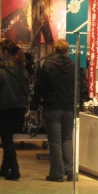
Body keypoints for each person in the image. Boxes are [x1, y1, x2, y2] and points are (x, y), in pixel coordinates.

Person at [0, 39, 29, 181]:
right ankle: (5, 167)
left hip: (3, 107)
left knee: (6, 140)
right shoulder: (23, 70)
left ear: (5, 52)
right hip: (19, 107)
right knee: (8, 137)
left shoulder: (0, 71)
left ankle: (14, 169)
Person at [31, 39, 75, 182]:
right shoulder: (74, 66)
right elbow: (79, 87)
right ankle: (70, 170)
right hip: (69, 107)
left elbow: (39, 88)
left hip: (52, 107)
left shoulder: (48, 66)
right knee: (67, 139)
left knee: (55, 141)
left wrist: (34, 106)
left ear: (55, 51)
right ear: (67, 51)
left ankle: (57, 173)